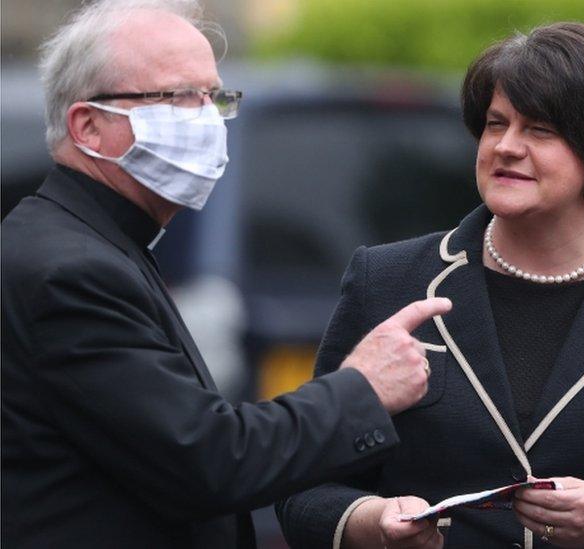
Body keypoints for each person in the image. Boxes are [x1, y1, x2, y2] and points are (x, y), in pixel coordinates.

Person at [277, 22, 584, 549]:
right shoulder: (386, 279)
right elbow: (304, 486)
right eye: (495, 124)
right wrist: (373, 520)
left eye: (539, 129)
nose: (506, 146)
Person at [0, 1, 451, 547]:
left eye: (213, 97)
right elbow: (208, 458)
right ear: (89, 126)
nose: (207, 120)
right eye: (178, 97)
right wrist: (362, 389)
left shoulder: (100, 242)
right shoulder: (71, 271)